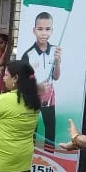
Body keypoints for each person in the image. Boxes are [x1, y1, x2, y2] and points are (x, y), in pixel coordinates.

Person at [21, 12, 61, 151]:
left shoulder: (55, 50)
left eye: (47, 29)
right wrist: (36, 86)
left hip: (49, 95)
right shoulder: (28, 54)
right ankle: (31, 154)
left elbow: (56, 77)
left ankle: (50, 156)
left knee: (50, 126)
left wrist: (57, 61)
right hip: (34, 95)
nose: (44, 33)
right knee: (33, 126)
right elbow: (23, 80)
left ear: (52, 30)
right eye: (40, 29)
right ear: (34, 30)